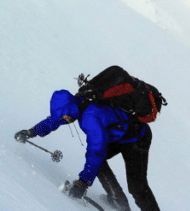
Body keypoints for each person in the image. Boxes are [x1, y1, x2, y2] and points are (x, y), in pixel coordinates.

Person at [15, 90, 160, 211]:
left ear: (69, 110)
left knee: (137, 187)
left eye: (65, 116)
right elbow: (55, 120)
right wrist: (31, 132)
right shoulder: (77, 103)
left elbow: (97, 151)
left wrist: (82, 183)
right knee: (97, 161)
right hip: (120, 136)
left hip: (137, 137)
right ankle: (118, 201)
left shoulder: (90, 117)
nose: (64, 119)